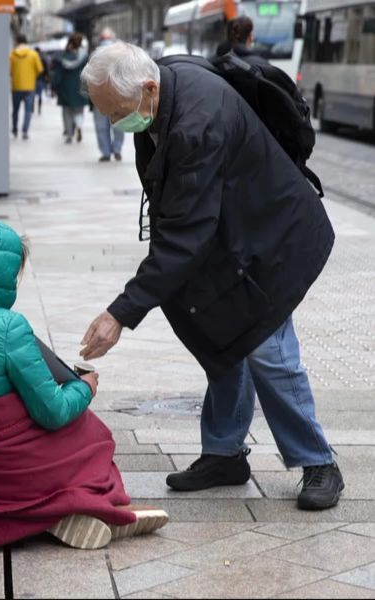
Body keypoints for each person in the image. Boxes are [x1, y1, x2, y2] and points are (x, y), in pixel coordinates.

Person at [79, 42, 343, 511]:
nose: (115, 125)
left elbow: (184, 236)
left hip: (271, 239)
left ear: (147, 88)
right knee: (224, 339)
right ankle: (224, 453)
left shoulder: (197, 124)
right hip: (233, 230)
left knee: (267, 347)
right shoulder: (160, 92)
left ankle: (319, 461)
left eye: (117, 113)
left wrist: (120, 314)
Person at [0, 217, 168, 554]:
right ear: (0, 275)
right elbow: (53, 412)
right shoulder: (8, 326)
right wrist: (85, 387)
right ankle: (67, 508)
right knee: (92, 435)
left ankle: (53, 513)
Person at [92, 28, 125, 162]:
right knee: (119, 124)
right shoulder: (122, 54)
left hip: (100, 95)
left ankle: (105, 152)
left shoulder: (94, 54)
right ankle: (117, 149)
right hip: (118, 95)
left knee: (101, 126)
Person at [52, 33, 90, 144]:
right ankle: (78, 126)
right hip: (80, 88)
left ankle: (69, 134)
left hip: (65, 89)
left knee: (67, 113)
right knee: (78, 111)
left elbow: (57, 74)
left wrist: (54, 86)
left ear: (69, 43)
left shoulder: (62, 57)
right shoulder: (85, 57)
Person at [9, 34, 44, 140]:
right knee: (28, 110)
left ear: (17, 42)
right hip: (29, 86)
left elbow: (9, 70)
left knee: (15, 110)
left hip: (16, 86)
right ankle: (25, 131)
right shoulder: (33, 54)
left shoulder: (12, 55)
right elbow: (40, 70)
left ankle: (15, 130)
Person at [34, 47, 50, 116]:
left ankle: (32, 108)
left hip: (33, 79)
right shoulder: (42, 59)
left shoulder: (33, 59)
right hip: (40, 79)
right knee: (39, 95)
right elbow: (46, 69)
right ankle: (39, 109)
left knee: (33, 95)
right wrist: (47, 77)